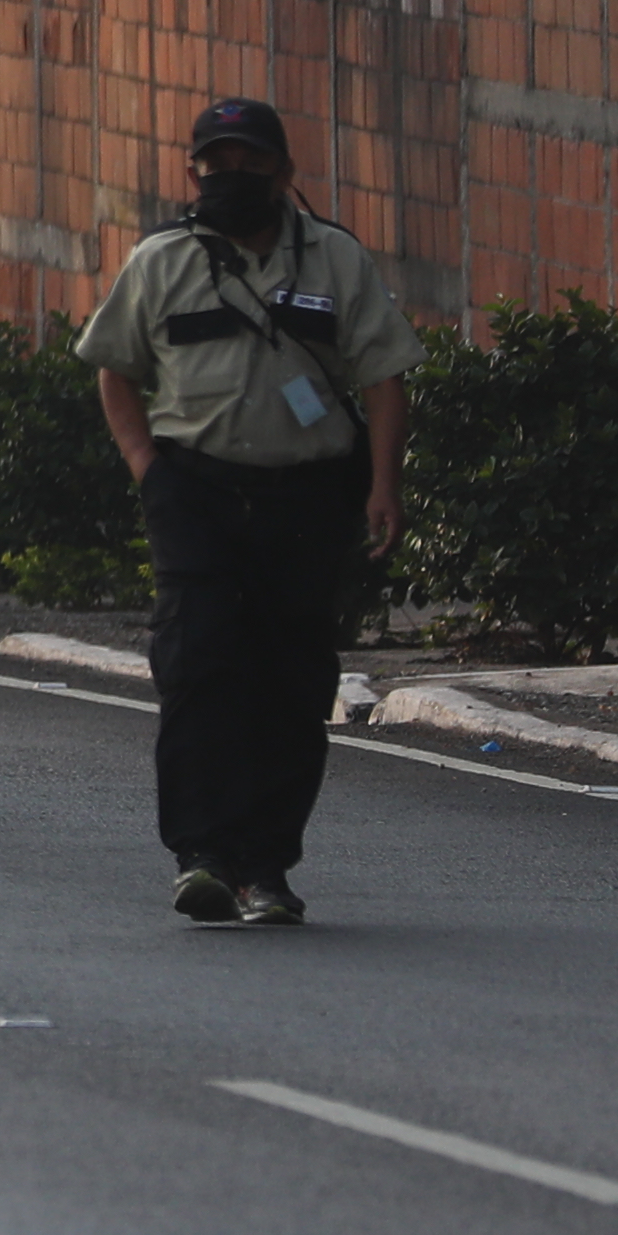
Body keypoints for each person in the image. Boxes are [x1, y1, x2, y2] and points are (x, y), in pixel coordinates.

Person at [73, 95, 415, 927]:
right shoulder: (161, 261)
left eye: (249, 164)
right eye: (214, 165)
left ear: (284, 173)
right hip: (195, 490)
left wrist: (382, 485)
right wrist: (145, 463)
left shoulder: (334, 261)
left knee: (291, 680)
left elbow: (384, 376)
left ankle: (267, 868)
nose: (231, 179)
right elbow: (114, 365)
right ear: (193, 173)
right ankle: (204, 857)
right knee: (197, 665)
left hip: (307, 495)